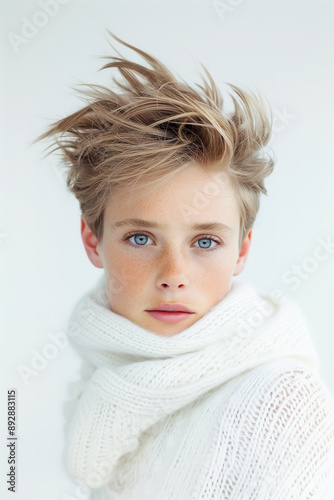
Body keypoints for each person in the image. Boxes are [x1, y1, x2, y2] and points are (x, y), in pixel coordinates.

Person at [33, 31, 334, 499]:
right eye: (140, 238)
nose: (173, 273)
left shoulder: (280, 399)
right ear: (92, 241)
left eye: (205, 241)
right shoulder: (104, 380)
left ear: (241, 251)